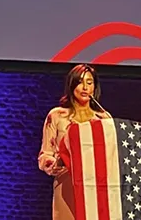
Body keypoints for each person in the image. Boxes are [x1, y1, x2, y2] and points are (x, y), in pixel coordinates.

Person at [38, 64, 112, 220]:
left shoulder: (103, 118)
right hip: (67, 186)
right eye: (80, 82)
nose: (85, 87)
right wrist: (55, 163)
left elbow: (111, 154)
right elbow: (45, 154)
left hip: (96, 188)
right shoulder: (57, 116)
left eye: (89, 83)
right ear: (72, 85)